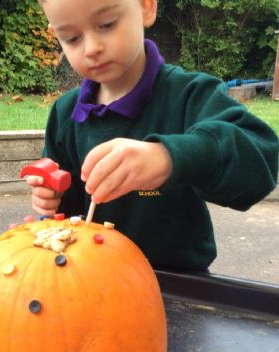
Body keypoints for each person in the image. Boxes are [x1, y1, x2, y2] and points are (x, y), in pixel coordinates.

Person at [25, 0, 279, 271]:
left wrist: (169, 158)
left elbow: (261, 160)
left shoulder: (189, 95)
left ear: (146, 7)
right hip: (89, 278)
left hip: (176, 284)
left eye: (107, 24)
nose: (91, 48)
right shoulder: (65, 113)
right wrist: (53, 198)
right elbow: (69, 216)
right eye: (72, 38)